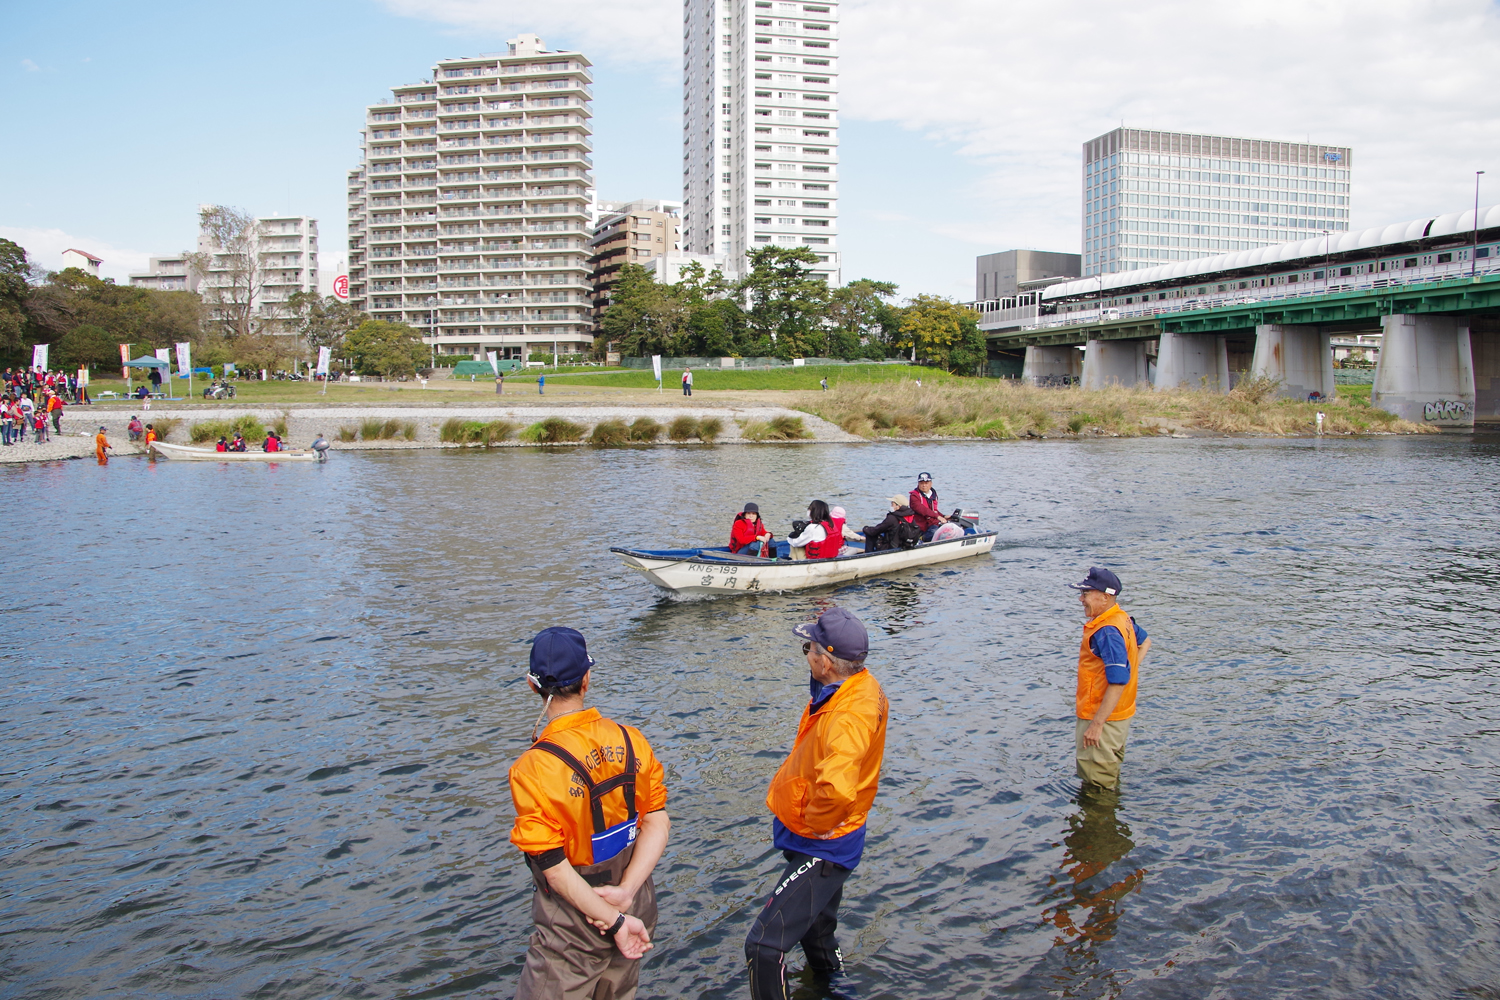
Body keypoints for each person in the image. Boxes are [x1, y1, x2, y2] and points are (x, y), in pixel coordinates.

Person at [509, 627, 670, 1000]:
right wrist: (627, 892)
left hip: (575, 927)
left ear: (533, 687)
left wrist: (612, 920)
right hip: (635, 902)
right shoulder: (632, 740)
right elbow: (657, 820)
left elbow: (551, 864)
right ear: (587, 679)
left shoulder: (533, 767)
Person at [745, 607, 887, 1000]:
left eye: (808, 647)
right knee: (816, 925)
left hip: (824, 840)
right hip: (827, 834)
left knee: (763, 944)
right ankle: (834, 983)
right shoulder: (858, 685)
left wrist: (814, 822)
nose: (805, 653)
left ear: (825, 661)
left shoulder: (846, 717)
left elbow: (838, 790)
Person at [1068, 567, 1151, 790]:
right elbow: (1145, 642)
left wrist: (1096, 725)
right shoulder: (1121, 619)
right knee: (1108, 776)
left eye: (1086, 593)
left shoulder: (1106, 631)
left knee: (1097, 786)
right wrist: (1128, 671)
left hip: (1102, 718)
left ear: (1104, 597)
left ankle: (1099, 823)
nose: (1081, 599)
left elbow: (1117, 681)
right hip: (1121, 716)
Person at [908, 472, 947, 542]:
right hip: (920, 527)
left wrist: (943, 516)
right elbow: (922, 509)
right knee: (934, 532)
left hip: (932, 524)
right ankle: (921, 539)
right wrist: (938, 517)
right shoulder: (914, 496)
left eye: (926, 483)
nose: (924, 485)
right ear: (918, 484)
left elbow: (933, 510)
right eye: (921, 483)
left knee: (948, 529)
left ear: (931, 483)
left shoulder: (932, 494)